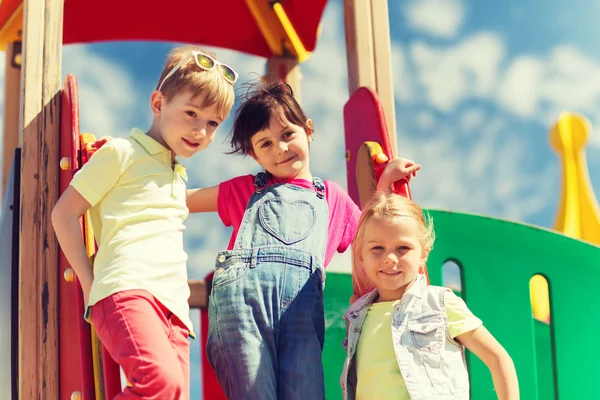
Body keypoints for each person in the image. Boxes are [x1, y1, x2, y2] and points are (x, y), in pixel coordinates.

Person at [184, 79, 421, 399]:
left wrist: (386, 183)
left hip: (300, 319)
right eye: (265, 144)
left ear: (308, 130)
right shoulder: (246, 190)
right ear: (255, 155)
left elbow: (372, 232)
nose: (280, 148)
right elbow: (181, 201)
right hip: (243, 310)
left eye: (287, 135)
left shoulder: (332, 198)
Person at [51, 45, 237, 399]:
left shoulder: (175, 175)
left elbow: (209, 198)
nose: (200, 130)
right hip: (127, 289)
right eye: (192, 113)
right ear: (158, 104)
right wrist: (89, 283)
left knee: (175, 392)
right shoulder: (122, 152)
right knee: (160, 384)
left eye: (212, 123)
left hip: (174, 310)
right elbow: (64, 213)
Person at [340, 193, 520, 400]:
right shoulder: (357, 315)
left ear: (423, 253)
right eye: (377, 248)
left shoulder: (440, 304)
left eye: (403, 248)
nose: (389, 258)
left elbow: (498, 358)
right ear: (361, 255)